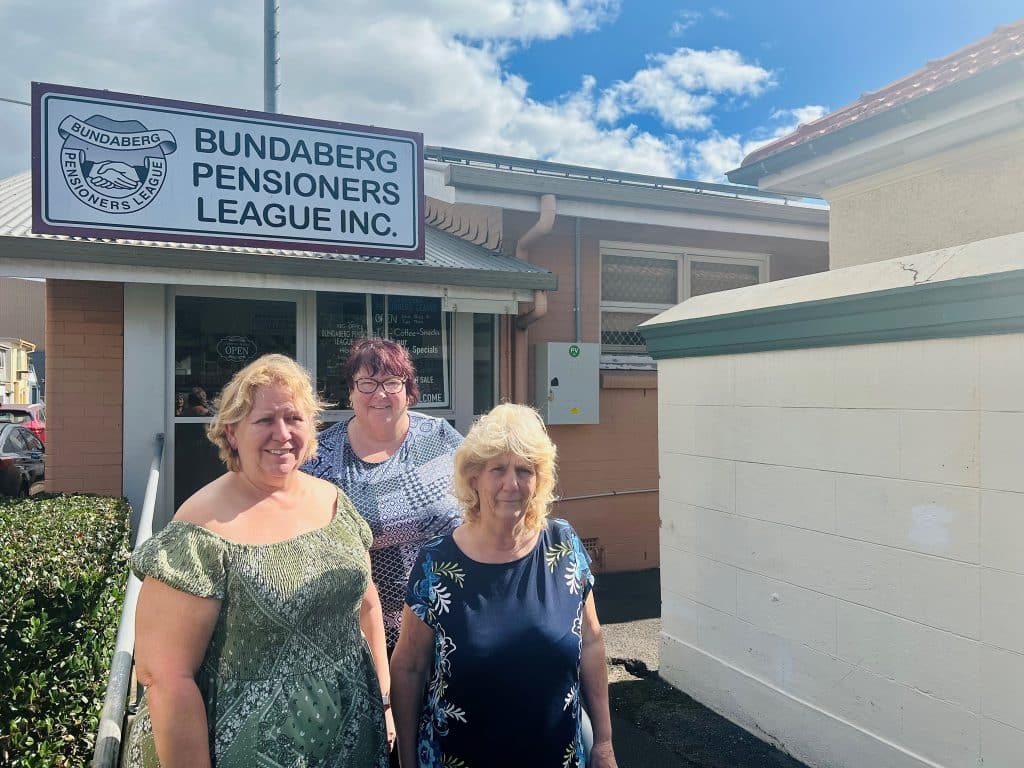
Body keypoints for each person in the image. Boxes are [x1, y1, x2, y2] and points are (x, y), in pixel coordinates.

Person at [123, 354, 390, 768]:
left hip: (349, 736)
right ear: (231, 432)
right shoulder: (200, 529)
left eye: (294, 419)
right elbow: (165, 678)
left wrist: (385, 701)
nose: (282, 434)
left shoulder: (335, 501)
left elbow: (367, 603)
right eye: (265, 420)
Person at [390, 403, 619, 768]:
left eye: (524, 470)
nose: (511, 484)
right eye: (498, 469)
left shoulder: (563, 547)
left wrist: (603, 745)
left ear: (539, 480)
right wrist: (406, 760)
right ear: (474, 477)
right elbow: (409, 666)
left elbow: (590, 642)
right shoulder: (436, 563)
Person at [302, 337, 463, 652]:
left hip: (449, 619)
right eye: (366, 383)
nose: (380, 393)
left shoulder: (440, 437)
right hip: (360, 635)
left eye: (391, 382)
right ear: (351, 391)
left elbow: (483, 496)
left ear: (408, 390)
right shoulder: (320, 457)